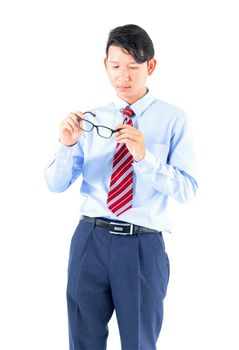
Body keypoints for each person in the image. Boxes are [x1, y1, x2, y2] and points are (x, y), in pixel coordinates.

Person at [44, 24, 198, 350]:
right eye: (115, 66)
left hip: (142, 246)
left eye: (132, 67)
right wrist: (66, 144)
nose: (122, 76)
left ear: (150, 66)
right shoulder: (90, 119)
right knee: (82, 342)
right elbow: (55, 185)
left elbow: (187, 189)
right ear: (105, 65)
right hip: (90, 239)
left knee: (140, 343)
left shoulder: (174, 119)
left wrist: (145, 158)